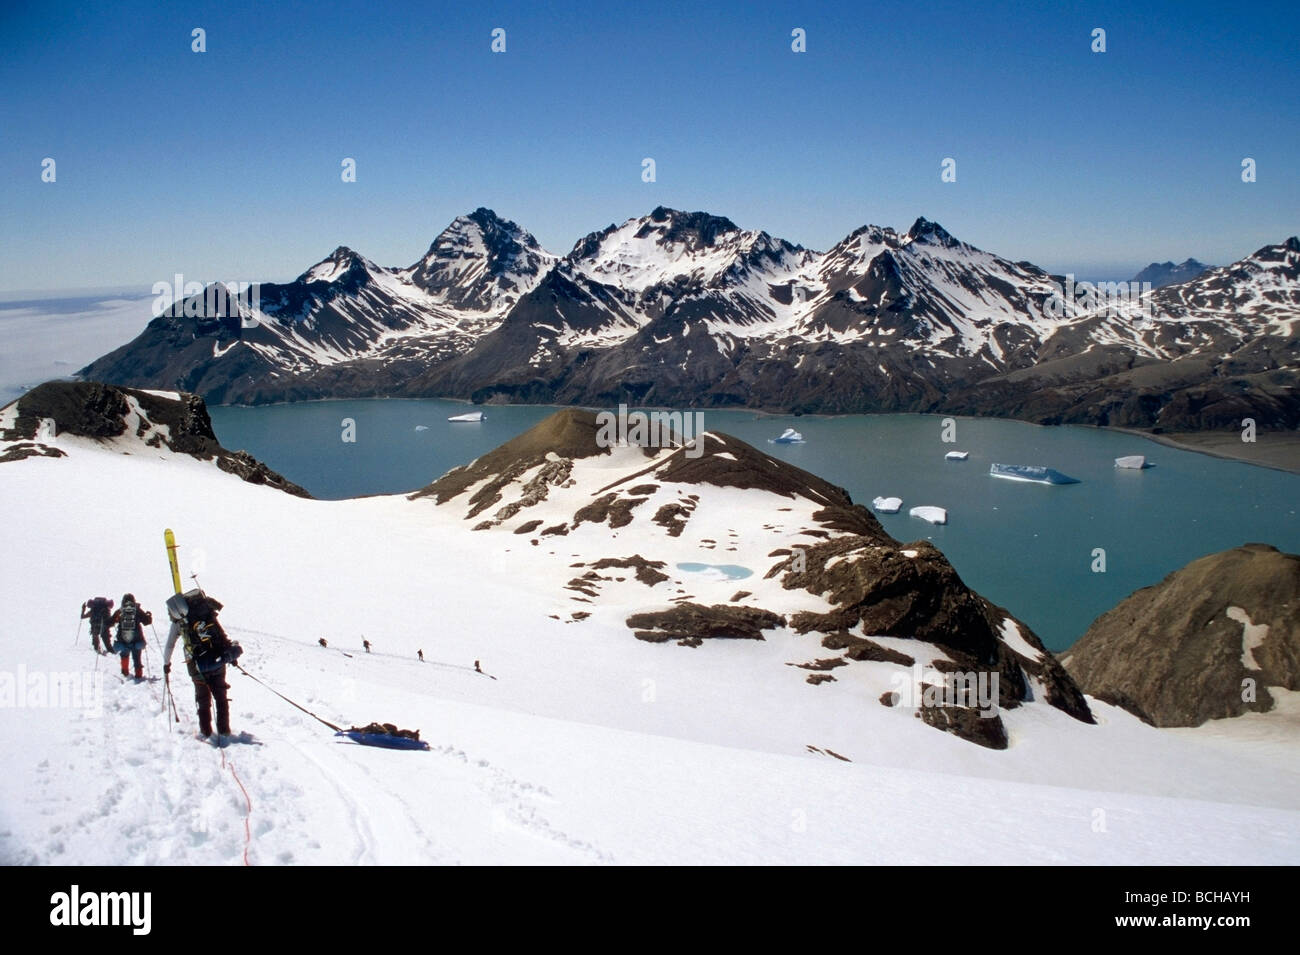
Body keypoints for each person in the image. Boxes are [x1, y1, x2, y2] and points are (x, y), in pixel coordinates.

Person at [162, 590, 243, 738]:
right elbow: (220, 634)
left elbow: (169, 645)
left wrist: (166, 664)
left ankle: (206, 732)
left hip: (196, 666)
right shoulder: (206, 614)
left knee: (203, 698)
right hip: (218, 660)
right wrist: (230, 656)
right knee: (221, 696)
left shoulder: (179, 623)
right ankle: (224, 731)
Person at [109, 593, 152, 679]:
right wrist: (149, 616)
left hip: (123, 641)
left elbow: (110, 623)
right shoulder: (137, 610)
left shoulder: (120, 611)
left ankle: (125, 673)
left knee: (124, 656)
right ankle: (138, 676)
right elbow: (147, 622)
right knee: (137, 658)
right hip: (137, 640)